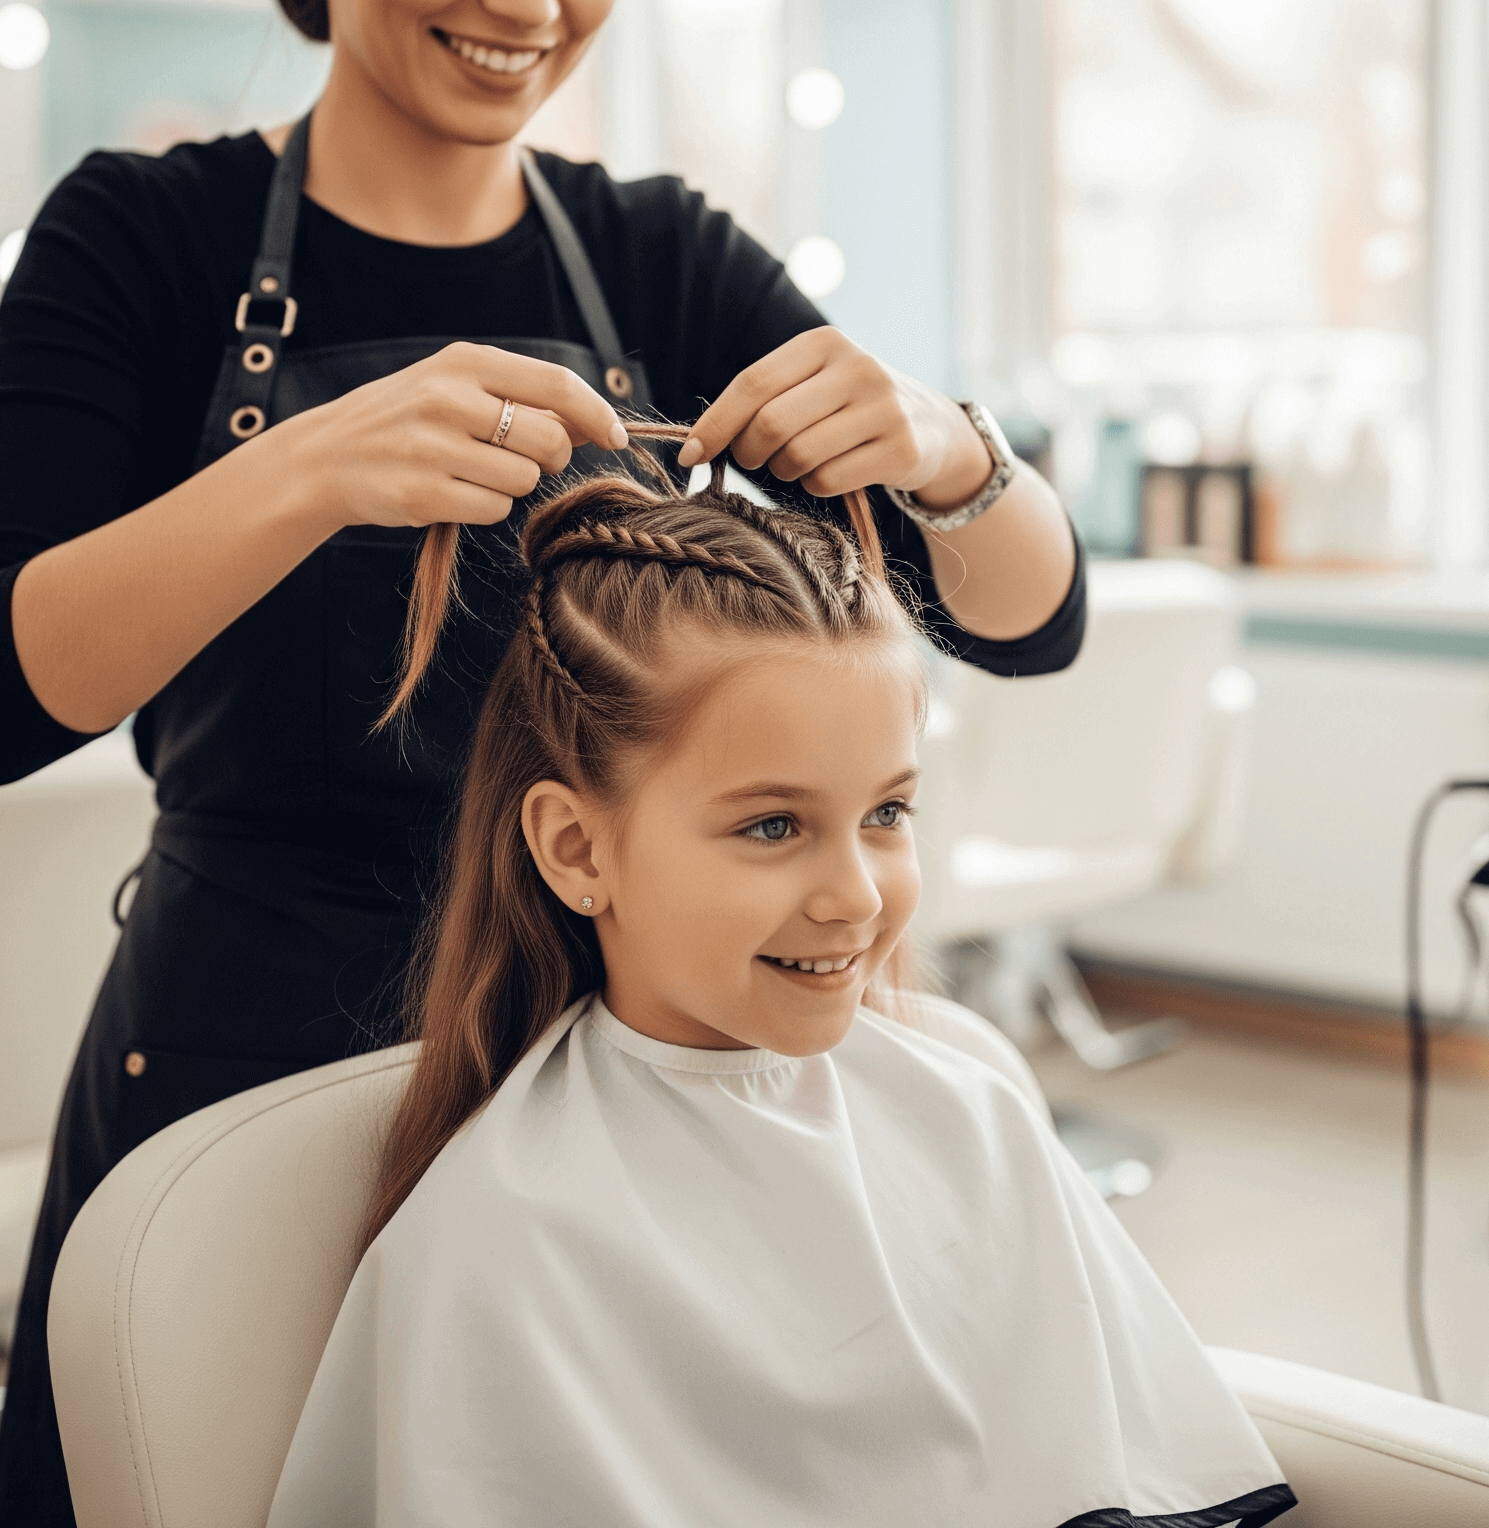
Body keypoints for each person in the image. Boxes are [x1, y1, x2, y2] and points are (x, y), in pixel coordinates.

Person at [0, 0, 1084, 1526]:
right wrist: (294, 476)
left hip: (600, 1078)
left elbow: (1028, 617)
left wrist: (950, 450)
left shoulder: (659, 255)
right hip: (240, 1053)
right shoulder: (146, 235)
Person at [266, 449, 1291, 1528]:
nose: (854, 896)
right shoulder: (501, 1234)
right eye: (771, 824)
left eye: (887, 812)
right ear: (576, 848)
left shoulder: (968, 1110)